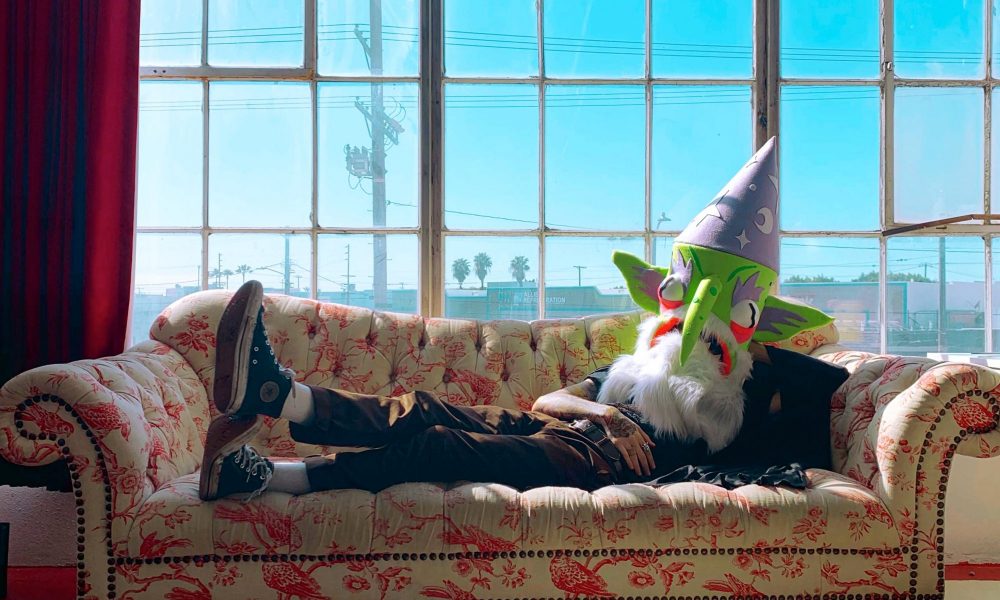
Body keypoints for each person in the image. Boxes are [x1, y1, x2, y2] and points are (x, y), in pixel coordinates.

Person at [199, 138, 850, 501]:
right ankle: (279, 395)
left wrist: (752, 342)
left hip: (595, 467)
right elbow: (549, 400)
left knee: (437, 446)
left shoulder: (745, 394)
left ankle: (265, 478)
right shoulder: (637, 368)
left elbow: (831, 382)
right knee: (423, 408)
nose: (690, 325)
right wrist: (609, 415)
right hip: (565, 429)